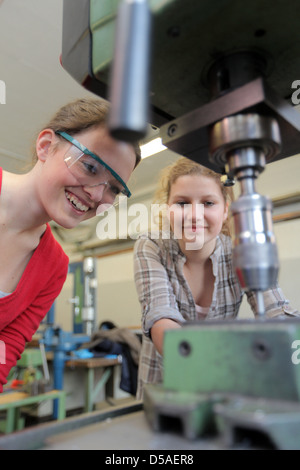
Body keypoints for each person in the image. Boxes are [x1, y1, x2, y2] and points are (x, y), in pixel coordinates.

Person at [0, 97, 140, 391]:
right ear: (46, 146)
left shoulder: (54, 268)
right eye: (90, 167)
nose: (96, 194)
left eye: (113, 188)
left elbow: (4, 352)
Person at [133, 157, 299, 399]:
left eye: (208, 202)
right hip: (163, 391)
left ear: (224, 211)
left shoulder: (239, 251)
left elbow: (277, 311)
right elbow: (161, 319)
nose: (194, 215)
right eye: (182, 203)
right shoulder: (151, 246)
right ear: (167, 209)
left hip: (222, 393)